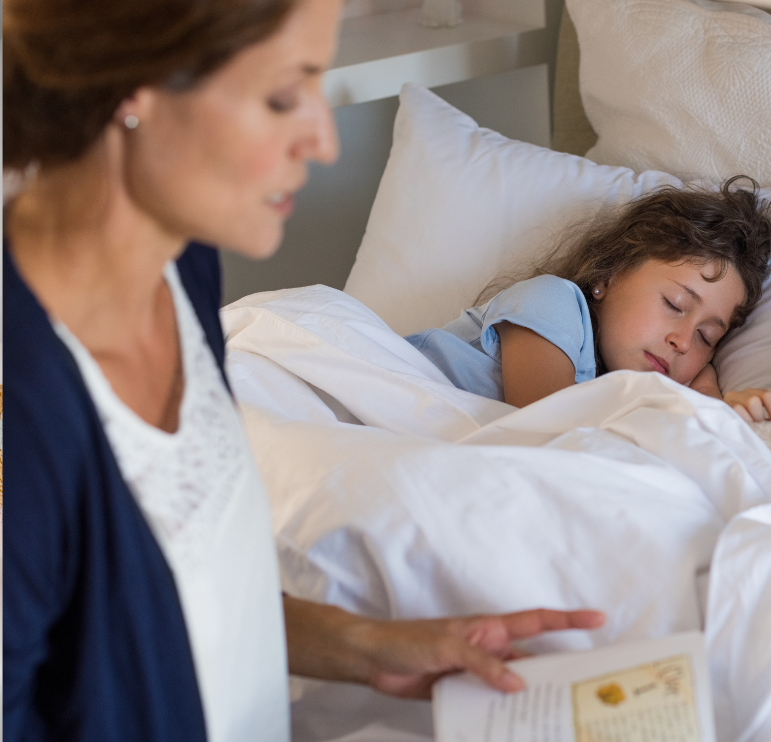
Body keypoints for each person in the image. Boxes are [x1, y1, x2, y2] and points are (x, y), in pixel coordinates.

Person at [2, 1, 604, 741]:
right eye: (283, 96)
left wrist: (366, 646)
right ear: (135, 89)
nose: (322, 140)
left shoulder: (178, 270)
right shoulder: (23, 414)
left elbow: (181, 593)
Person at [405, 176, 771, 420]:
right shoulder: (552, 302)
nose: (684, 341)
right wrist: (691, 405)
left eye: (707, 337)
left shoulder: (626, 383)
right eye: (674, 304)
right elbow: (548, 440)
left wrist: (710, 401)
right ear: (609, 274)